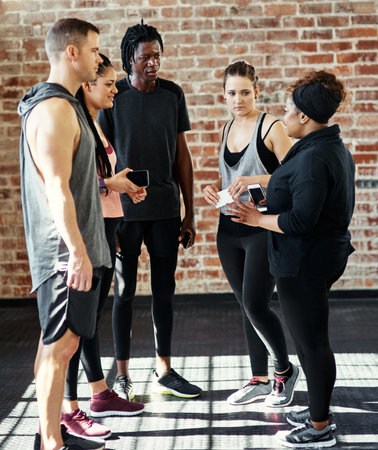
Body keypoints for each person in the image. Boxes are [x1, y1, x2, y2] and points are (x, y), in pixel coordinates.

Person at [228, 70, 355, 448]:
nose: (282, 115)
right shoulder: (321, 148)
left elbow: (301, 219)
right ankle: (319, 410)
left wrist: (254, 218)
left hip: (305, 262)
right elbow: (299, 196)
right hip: (310, 257)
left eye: (287, 109)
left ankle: (319, 428)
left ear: (303, 116)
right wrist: (265, 195)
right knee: (308, 341)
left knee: (312, 343)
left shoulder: (316, 157)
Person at [18, 18, 111, 450]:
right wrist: (77, 252)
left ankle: (46, 435)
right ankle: (52, 443)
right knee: (62, 347)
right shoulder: (54, 109)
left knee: (55, 344)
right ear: (71, 52)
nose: (98, 57)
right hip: (65, 253)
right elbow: (55, 188)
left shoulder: (64, 104)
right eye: (94, 50)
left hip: (70, 249)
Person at [98, 21, 201, 399]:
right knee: (124, 293)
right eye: (145, 57)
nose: (153, 63)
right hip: (123, 212)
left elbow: (182, 157)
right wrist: (109, 210)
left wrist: (190, 213)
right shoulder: (113, 96)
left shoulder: (172, 94)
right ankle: (121, 374)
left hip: (164, 209)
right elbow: (103, 156)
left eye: (157, 55)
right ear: (129, 60)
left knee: (164, 291)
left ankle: (165, 370)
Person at [203, 60, 300, 407]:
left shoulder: (272, 127)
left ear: (257, 91)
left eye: (245, 92)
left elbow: (294, 178)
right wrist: (213, 188)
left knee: (256, 304)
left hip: (261, 228)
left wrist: (257, 180)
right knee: (246, 306)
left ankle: (284, 371)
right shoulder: (227, 128)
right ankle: (258, 379)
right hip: (228, 229)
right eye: (232, 93)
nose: (238, 98)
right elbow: (229, 178)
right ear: (224, 95)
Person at [61, 54, 146, 441]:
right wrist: (113, 185)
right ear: (88, 86)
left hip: (104, 231)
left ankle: (99, 394)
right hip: (86, 237)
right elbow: (73, 187)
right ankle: (70, 411)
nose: (116, 88)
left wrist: (121, 182)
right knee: (76, 330)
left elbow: (100, 181)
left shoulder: (94, 125)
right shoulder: (75, 125)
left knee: (90, 325)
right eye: (109, 83)